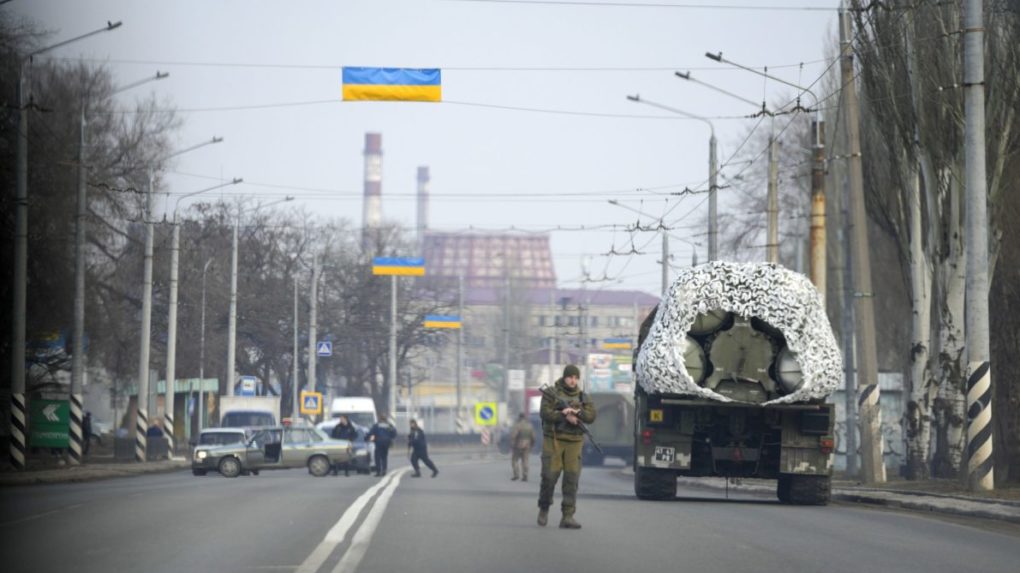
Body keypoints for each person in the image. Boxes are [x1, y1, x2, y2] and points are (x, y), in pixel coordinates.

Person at [537, 364, 596, 530]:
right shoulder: (552, 393)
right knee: (549, 476)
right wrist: (563, 415)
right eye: (570, 377)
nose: (573, 380)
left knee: (572, 479)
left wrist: (577, 413)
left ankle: (567, 516)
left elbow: (591, 416)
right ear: (564, 377)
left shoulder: (583, 396)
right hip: (554, 439)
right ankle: (544, 507)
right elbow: (545, 413)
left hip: (575, 441)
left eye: (576, 377)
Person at [510, 412, 535, 481]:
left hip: (518, 445)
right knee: (525, 461)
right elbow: (533, 437)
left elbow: (513, 436)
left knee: (515, 460)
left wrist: (512, 445)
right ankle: (525, 475)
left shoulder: (517, 425)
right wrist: (532, 445)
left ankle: (516, 475)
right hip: (527, 445)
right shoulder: (530, 426)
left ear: (519, 418)